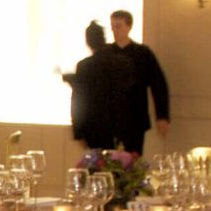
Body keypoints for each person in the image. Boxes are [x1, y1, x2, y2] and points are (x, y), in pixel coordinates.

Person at [107, 9, 170, 153]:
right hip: (110, 118)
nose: (115, 30)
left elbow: (158, 84)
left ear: (129, 27)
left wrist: (162, 116)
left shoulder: (142, 54)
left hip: (135, 118)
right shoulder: (106, 54)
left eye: (119, 26)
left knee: (133, 162)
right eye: (112, 26)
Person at [69, 20, 137, 151]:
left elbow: (78, 101)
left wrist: (78, 132)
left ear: (88, 41)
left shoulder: (85, 66)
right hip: (123, 126)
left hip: (95, 128)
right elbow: (131, 97)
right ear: (104, 38)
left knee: (97, 168)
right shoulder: (123, 62)